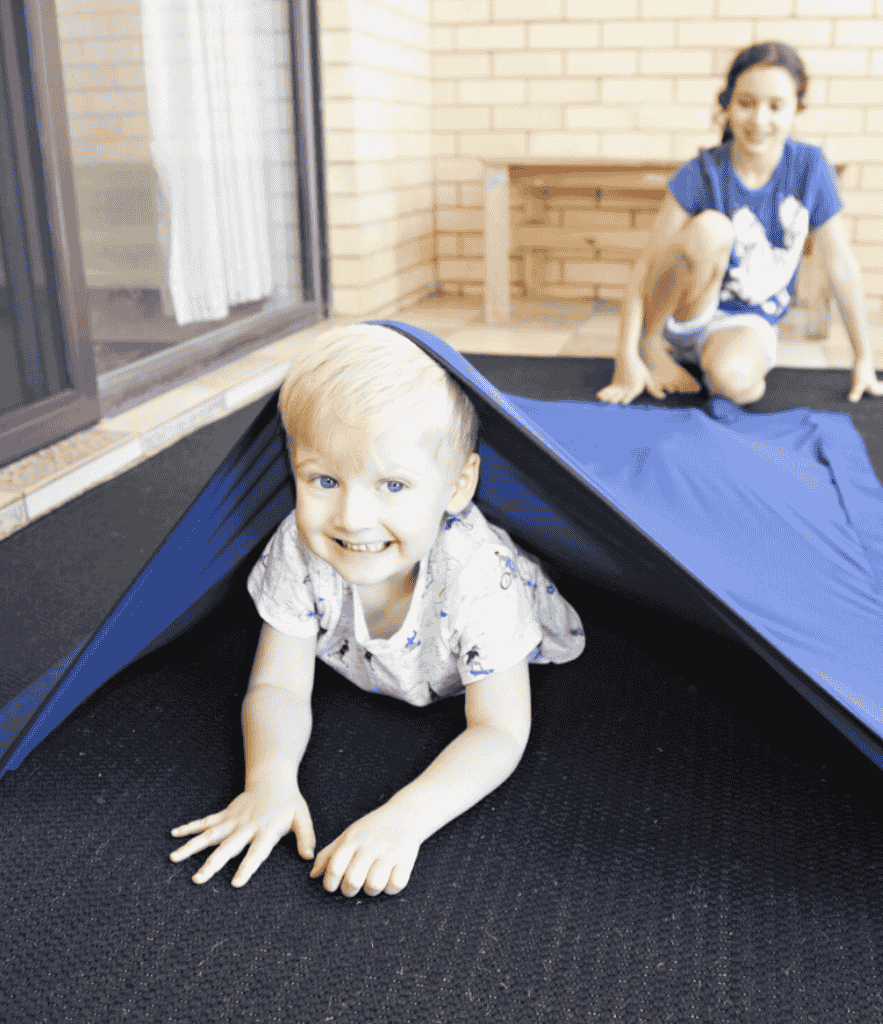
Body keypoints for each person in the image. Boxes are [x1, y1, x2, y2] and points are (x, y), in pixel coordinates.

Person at [169, 324, 585, 897]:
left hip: (506, 610)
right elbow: (278, 689)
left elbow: (499, 730)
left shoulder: (481, 578)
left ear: (460, 484)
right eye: (324, 479)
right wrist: (268, 783)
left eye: (392, 483)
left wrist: (404, 821)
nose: (352, 517)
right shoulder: (300, 545)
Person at [597, 41, 883, 408]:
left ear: (797, 110)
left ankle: (712, 361)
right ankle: (656, 349)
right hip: (687, 311)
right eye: (746, 103)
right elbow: (647, 265)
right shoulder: (702, 171)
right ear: (727, 105)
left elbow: (840, 263)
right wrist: (627, 357)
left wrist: (863, 360)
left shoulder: (811, 167)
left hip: (744, 321)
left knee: (735, 382)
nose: (759, 120)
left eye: (776, 106)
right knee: (712, 229)